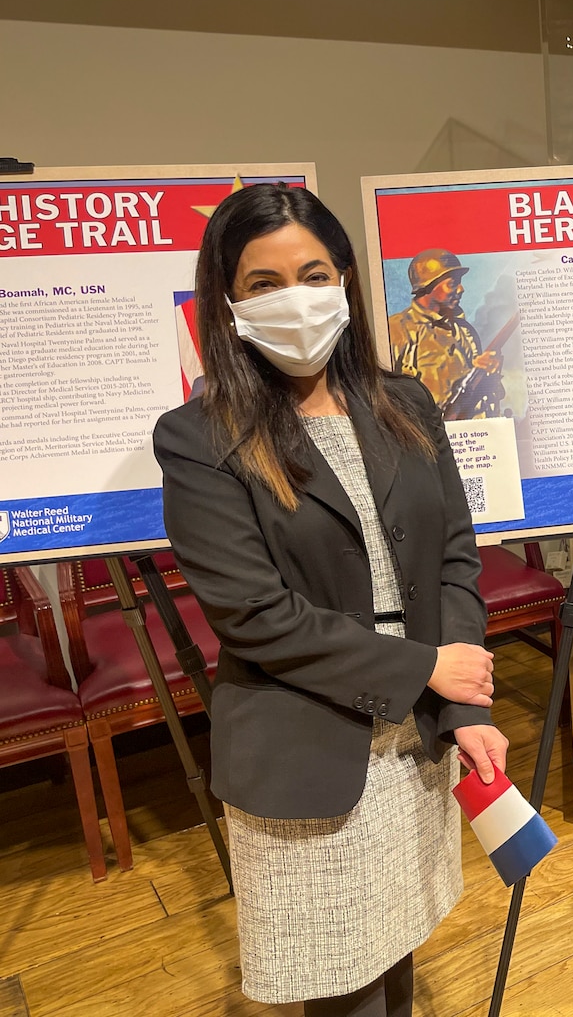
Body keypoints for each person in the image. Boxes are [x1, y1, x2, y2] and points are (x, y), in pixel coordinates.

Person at [154, 184, 509, 1017]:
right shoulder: (200, 437)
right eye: (264, 284)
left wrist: (463, 706)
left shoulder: (406, 403)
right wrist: (428, 667)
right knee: (339, 985)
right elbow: (254, 615)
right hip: (309, 744)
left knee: (396, 949)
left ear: (346, 280)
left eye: (313, 274)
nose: (296, 299)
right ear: (229, 302)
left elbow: (454, 556)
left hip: (417, 735)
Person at [388, 248, 505, 420]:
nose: (461, 289)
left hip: (477, 434)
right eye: (452, 283)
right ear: (428, 286)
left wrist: (488, 372)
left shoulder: (465, 331)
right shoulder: (397, 329)